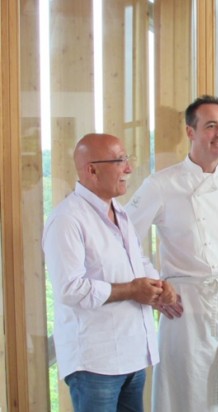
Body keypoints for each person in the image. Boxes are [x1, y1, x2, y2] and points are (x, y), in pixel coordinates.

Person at [126, 95, 218, 411]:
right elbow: (125, 239)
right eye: (211, 126)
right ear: (190, 132)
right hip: (184, 304)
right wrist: (157, 288)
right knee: (188, 388)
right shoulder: (161, 184)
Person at [42, 133, 181, 412]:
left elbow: (136, 260)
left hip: (133, 354)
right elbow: (70, 289)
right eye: (119, 161)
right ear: (92, 170)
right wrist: (132, 290)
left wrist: (158, 285)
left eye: (127, 159)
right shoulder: (67, 219)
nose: (128, 169)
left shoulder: (119, 211)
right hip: (95, 362)